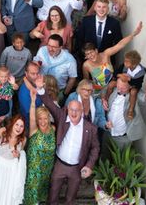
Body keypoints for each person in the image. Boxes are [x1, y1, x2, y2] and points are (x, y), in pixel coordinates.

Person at [34, 74, 99, 205]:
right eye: (71, 110)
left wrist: (89, 165)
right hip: (60, 165)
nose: (74, 113)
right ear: (67, 109)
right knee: (52, 196)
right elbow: (49, 104)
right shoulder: (62, 117)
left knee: (71, 198)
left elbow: (95, 148)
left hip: (76, 168)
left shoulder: (90, 128)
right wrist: (40, 89)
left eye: (77, 110)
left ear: (82, 112)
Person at [82, 21, 142, 95]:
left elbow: (120, 45)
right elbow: (86, 81)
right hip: (99, 90)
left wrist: (134, 33)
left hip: (114, 85)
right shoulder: (86, 65)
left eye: (91, 52)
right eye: (87, 54)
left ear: (96, 50)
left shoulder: (106, 54)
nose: (90, 55)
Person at [103, 74, 146, 150]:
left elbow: (144, 99)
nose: (119, 89)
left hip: (122, 137)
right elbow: (103, 91)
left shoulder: (134, 95)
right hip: (107, 131)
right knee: (104, 156)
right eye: (118, 86)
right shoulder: (114, 89)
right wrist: (103, 99)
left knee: (119, 159)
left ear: (130, 87)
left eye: (123, 88)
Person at [0, 115, 27, 205]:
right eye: (17, 124)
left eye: (21, 126)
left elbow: (20, 156)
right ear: (12, 124)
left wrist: (18, 155)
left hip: (11, 170)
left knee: (7, 193)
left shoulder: (23, 139)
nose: (19, 128)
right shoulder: (3, 131)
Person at [23, 86, 55, 205]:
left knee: (42, 193)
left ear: (48, 119)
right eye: (40, 119)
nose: (42, 121)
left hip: (47, 170)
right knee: (32, 194)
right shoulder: (34, 130)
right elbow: (31, 116)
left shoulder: (53, 129)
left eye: (45, 118)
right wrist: (32, 101)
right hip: (34, 171)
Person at [34, 34, 78, 100]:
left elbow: (72, 78)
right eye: (49, 45)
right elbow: (35, 64)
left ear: (60, 47)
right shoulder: (42, 50)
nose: (50, 49)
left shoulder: (70, 60)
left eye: (54, 47)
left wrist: (64, 94)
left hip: (57, 91)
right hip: (39, 87)